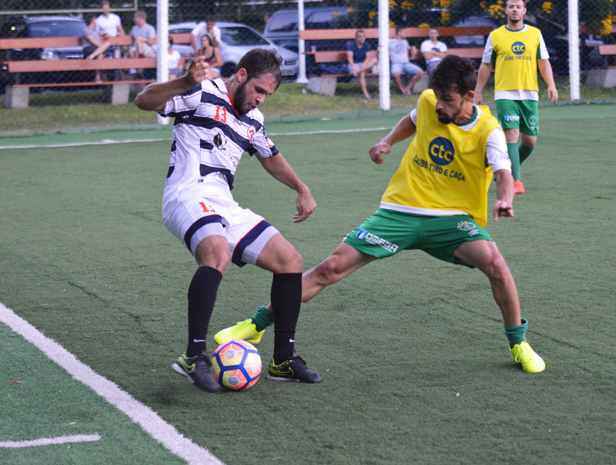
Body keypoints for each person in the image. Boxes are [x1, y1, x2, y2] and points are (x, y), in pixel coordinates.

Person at [216, 55, 546, 375]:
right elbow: (412, 120)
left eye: (448, 99)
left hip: (452, 220)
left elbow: (503, 173)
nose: (440, 106)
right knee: (330, 267)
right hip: (399, 212)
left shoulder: (489, 131)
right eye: (438, 98)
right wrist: (387, 141)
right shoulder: (430, 101)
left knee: (496, 264)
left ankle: (518, 344)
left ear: (469, 96)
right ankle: (256, 325)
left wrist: (505, 199)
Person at [134, 48, 322, 392]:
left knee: (290, 261)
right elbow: (143, 101)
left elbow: (270, 155)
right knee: (216, 253)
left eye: (268, 95)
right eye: (259, 91)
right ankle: (194, 355)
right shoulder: (202, 92)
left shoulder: (255, 120)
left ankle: (282, 361)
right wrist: (185, 81)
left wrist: (301, 187)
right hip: (187, 193)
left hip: (223, 202)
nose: (260, 100)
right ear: (241, 75)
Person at [473, 0, 558, 195]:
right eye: (511, 6)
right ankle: (515, 180)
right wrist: (478, 91)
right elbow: (486, 65)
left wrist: (551, 85)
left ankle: (504, 169)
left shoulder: (535, 34)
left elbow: (543, 62)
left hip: (529, 93)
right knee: (511, 134)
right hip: (505, 93)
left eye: (518, 6)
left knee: (530, 141)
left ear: (524, 10)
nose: (514, 10)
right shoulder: (495, 36)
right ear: (506, 10)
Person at [389, 26, 425, 96]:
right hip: (396, 64)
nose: (405, 34)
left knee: (420, 72)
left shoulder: (405, 41)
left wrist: (413, 47)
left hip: (406, 64)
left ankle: (408, 88)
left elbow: (409, 47)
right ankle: (402, 89)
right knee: (395, 74)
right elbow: (380, 48)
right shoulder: (390, 42)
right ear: (399, 33)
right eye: (404, 32)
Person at [346, 29, 378, 100]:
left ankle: (359, 71)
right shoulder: (351, 45)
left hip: (364, 65)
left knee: (375, 60)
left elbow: (368, 57)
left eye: (363, 36)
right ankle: (366, 95)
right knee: (362, 72)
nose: (362, 38)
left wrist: (362, 66)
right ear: (356, 38)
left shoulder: (367, 45)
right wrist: (354, 68)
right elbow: (350, 58)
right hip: (354, 65)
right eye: (360, 37)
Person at [82, 14, 112, 82]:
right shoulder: (86, 30)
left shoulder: (96, 30)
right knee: (102, 51)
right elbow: (92, 41)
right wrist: (101, 47)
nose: (96, 22)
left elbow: (102, 34)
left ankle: (97, 76)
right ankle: (97, 75)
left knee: (103, 49)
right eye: (95, 20)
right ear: (93, 21)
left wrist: (106, 34)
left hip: (96, 50)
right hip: (89, 48)